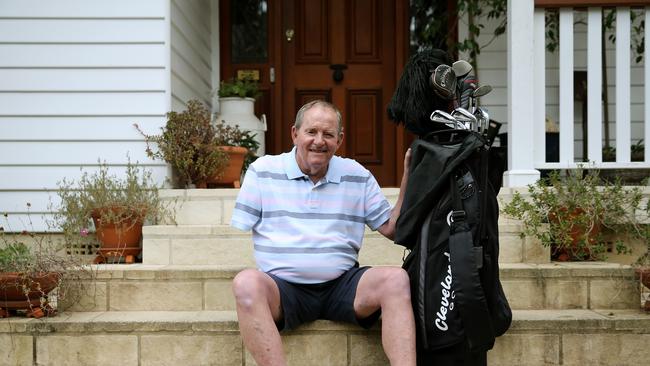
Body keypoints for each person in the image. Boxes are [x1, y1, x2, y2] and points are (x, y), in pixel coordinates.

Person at [230, 100, 415, 366]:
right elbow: (243, 224)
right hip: (284, 290)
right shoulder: (262, 172)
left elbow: (393, 229)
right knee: (246, 282)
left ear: (339, 139)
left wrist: (409, 175)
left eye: (328, 134)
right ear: (295, 133)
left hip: (343, 285)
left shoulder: (357, 175)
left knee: (396, 279)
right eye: (311, 132)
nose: (319, 141)